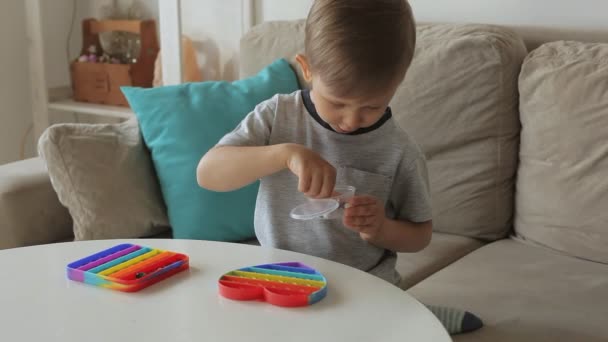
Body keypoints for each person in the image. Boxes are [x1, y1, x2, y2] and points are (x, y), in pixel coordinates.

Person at [197, 0, 482, 335]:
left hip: (363, 285)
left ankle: (413, 314)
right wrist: (284, 154)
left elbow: (420, 235)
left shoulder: (400, 150)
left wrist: (380, 229)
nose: (350, 120)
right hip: (280, 277)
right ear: (307, 69)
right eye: (337, 102)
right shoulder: (277, 117)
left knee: (371, 328)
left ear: (398, 83)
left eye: (372, 106)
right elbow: (208, 173)